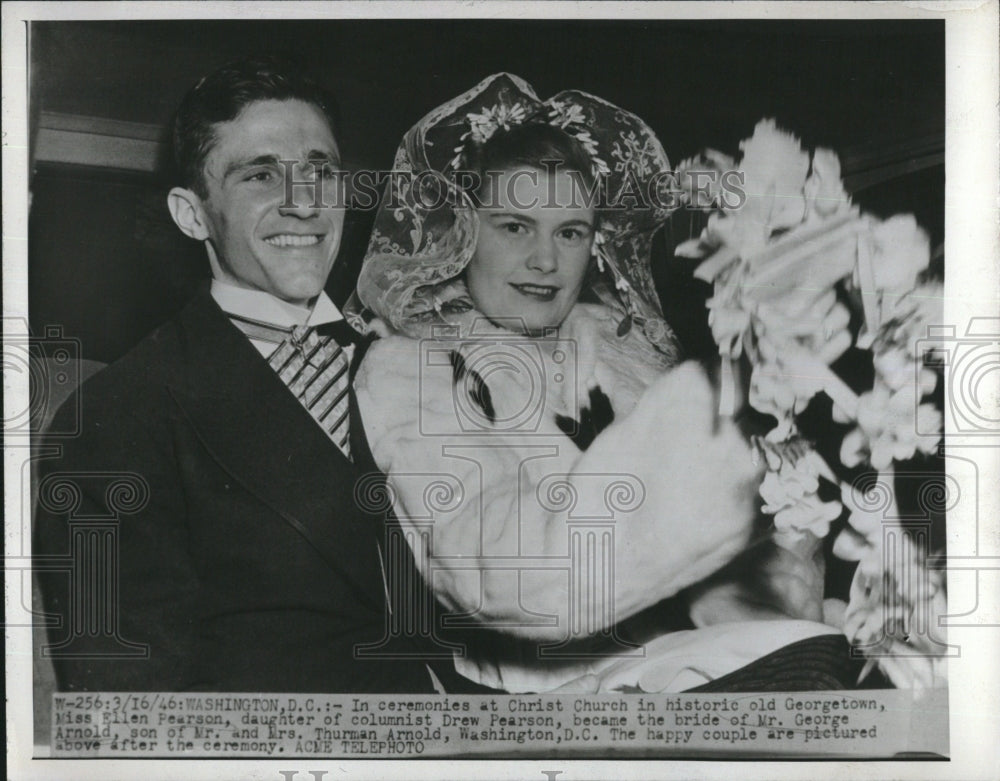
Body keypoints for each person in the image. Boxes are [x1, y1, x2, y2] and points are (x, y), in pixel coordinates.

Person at [345, 74, 840, 693]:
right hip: (543, 693)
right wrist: (714, 428)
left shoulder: (628, 350)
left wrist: (783, 519)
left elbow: (734, 578)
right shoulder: (410, 372)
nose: (546, 260)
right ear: (460, 233)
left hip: (679, 656)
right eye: (515, 227)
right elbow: (510, 577)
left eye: (570, 232)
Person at [33, 56, 460, 693]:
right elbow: (128, 709)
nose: (304, 203)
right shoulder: (118, 413)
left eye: (321, 171)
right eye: (261, 175)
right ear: (192, 214)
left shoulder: (415, 360)